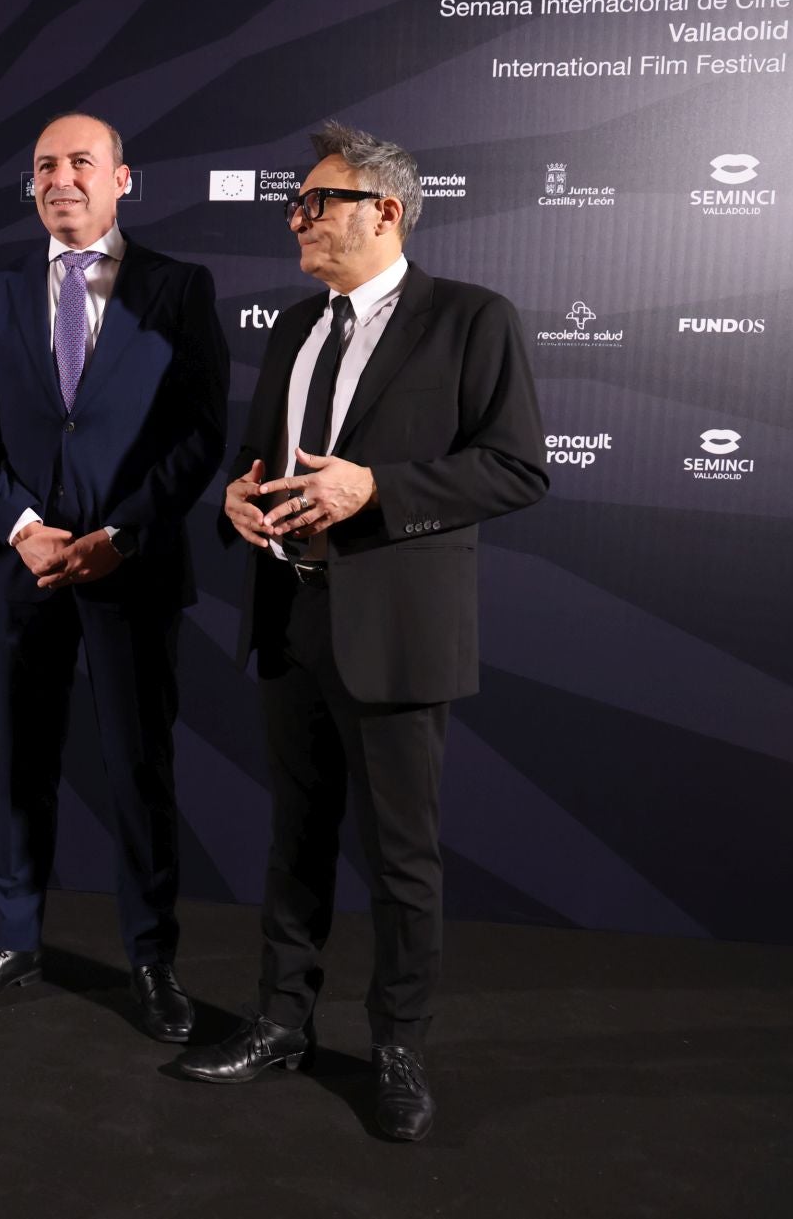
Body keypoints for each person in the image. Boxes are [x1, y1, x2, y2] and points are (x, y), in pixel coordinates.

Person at [171, 121, 547, 1142]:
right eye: (295, 205)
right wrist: (235, 504)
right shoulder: (297, 327)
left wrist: (377, 485)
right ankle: (281, 1020)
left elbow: (518, 467)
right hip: (290, 615)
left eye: (316, 204)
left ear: (384, 210)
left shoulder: (473, 320)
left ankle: (397, 1048)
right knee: (294, 839)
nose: (297, 220)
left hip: (397, 632)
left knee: (401, 858)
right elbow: (258, 461)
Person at [0, 113, 229, 1041]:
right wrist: (21, 526)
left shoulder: (179, 288)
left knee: (139, 771)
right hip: (22, 569)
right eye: (44, 167)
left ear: (122, 179)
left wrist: (122, 532)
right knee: (22, 765)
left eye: (80, 163)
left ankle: (151, 961)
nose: (60, 178)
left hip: (129, 571)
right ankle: (13, 941)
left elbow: (200, 434)